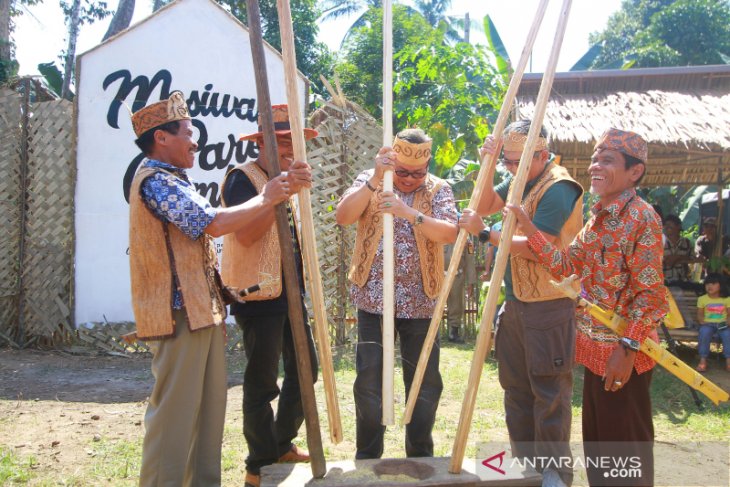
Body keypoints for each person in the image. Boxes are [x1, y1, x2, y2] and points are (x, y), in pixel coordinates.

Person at [129, 91, 290, 486]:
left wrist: (216, 308)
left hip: (201, 314)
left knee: (206, 412)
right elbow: (212, 224)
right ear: (161, 137)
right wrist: (268, 197)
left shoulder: (173, 180)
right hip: (177, 316)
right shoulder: (155, 181)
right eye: (187, 132)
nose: (195, 141)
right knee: (175, 416)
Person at [508, 128, 668, 487]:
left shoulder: (642, 218)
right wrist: (528, 226)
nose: (595, 166)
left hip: (625, 356)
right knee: (600, 448)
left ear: (634, 172)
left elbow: (650, 295)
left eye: (607, 160)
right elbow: (565, 266)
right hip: (596, 353)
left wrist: (626, 350)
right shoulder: (597, 219)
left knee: (625, 451)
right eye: (595, 158)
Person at [459, 120, 583, 487]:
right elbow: (483, 203)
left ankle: (554, 474)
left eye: (515, 161)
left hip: (549, 303)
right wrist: (488, 163)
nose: (509, 168)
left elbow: (537, 247)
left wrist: (487, 234)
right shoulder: (520, 177)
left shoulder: (559, 187)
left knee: (549, 392)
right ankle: (526, 469)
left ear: (541, 155)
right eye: (507, 161)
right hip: (516, 302)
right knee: (515, 390)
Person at [335, 128, 458, 459]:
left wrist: (410, 214)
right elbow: (343, 216)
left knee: (425, 382)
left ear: (427, 165)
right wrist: (376, 178)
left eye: (417, 173)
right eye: (402, 172)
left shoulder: (438, 189)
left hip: (421, 301)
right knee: (369, 381)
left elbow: (449, 233)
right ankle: (368, 456)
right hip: (373, 301)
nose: (408, 179)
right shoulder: (372, 179)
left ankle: (420, 456)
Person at [220, 105, 319, 487]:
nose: (292, 147)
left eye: (295, 140)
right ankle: (258, 464)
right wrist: (276, 195)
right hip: (258, 295)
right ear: (261, 142)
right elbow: (245, 234)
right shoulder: (241, 179)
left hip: (290, 293)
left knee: (306, 368)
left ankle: (281, 443)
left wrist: (286, 189)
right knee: (263, 382)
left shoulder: (284, 178)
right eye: (282, 140)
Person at [695, 273, 730, 373]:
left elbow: (729, 316)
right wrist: (702, 321)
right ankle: (703, 360)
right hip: (708, 324)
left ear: (721, 285)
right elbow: (700, 314)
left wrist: (726, 323)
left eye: (713, 283)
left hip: (724, 324)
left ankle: (728, 361)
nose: (709, 286)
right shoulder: (702, 299)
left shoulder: (727, 299)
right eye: (707, 284)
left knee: (728, 335)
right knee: (704, 333)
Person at [663, 214, 694, 283]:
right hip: (665, 282)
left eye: (670, 224)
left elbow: (692, 260)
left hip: (683, 281)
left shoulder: (686, 242)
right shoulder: (660, 242)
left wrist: (677, 257)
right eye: (666, 225)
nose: (667, 227)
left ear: (678, 226)